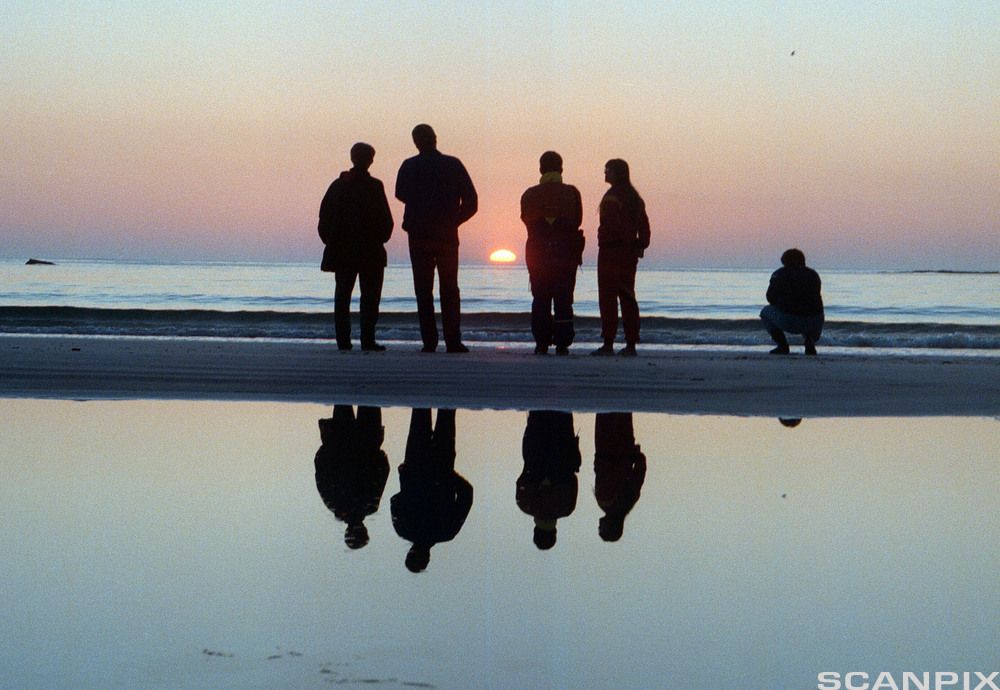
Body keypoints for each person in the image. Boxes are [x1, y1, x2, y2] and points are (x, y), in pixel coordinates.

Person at [394, 124, 478, 353]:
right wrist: (455, 220)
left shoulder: (410, 165)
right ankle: (452, 340)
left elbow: (400, 193)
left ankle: (429, 341)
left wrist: (420, 204)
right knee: (449, 288)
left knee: (423, 289)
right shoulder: (452, 164)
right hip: (444, 235)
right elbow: (472, 201)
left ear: (416, 142)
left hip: (419, 234)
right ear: (435, 138)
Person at [317, 142, 394, 351]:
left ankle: (343, 341)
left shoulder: (338, 185)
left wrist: (331, 241)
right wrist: (381, 238)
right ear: (371, 160)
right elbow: (386, 220)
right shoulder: (374, 186)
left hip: (344, 251)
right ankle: (367, 340)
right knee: (369, 298)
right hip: (370, 251)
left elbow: (324, 218)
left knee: (343, 296)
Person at [390, 409, 473, 572]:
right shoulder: (403, 529)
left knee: (446, 414)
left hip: (441, 466)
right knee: (420, 413)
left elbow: (467, 494)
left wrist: (450, 476)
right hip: (415, 466)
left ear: (428, 557)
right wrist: (406, 478)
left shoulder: (447, 532)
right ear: (409, 553)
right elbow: (395, 501)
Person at [520, 151, 585, 355]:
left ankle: (541, 343)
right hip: (565, 254)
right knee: (564, 298)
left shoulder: (529, 194)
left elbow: (525, 219)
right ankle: (562, 344)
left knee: (540, 298)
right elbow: (578, 220)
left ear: (541, 169)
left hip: (537, 254)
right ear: (561, 169)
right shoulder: (572, 193)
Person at [592, 159, 650, 357]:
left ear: (616, 173)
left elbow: (612, 226)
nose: (605, 173)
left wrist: (622, 241)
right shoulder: (635, 198)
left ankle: (608, 343)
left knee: (607, 297)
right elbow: (644, 228)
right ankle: (631, 343)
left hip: (610, 252)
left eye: (607, 170)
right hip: (628, 254)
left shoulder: (611, 198)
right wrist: (639, 244)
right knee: (628, 296)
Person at [314, 405, 390, 550]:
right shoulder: (334, 504)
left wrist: (379, 455)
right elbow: (321, 473)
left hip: (366, 442)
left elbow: (382, 473)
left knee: (369, 400)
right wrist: (326, 449)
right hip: (341, 441)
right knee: (344, 400)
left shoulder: (370, 505)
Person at [516, 410, 581, 550]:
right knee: (538, 407)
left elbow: (573, 481)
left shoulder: (567, 508)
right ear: (535, 530)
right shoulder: (525, 505)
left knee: (562, 408)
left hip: (563, 451)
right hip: (535, 449)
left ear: (554, 531)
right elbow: (521, 481)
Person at [760, 248, 824, 355]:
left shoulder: (779, 274)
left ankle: (782, 345)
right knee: (815, 311)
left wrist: (781, 302)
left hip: (789, 319)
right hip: (814, 321)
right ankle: (810, 340)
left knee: (765, 312)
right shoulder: (813, 274)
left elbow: (770, 297)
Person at [594, 413, 646, 543]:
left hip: (625, 449)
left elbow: (639, 472)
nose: (599, 526)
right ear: (610, 526)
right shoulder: (604, 501)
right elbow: (600, 471)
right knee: (605, 410)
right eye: (601, 528)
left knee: (624, 412)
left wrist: (637, 455)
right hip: (605, 448)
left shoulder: (629, 501)